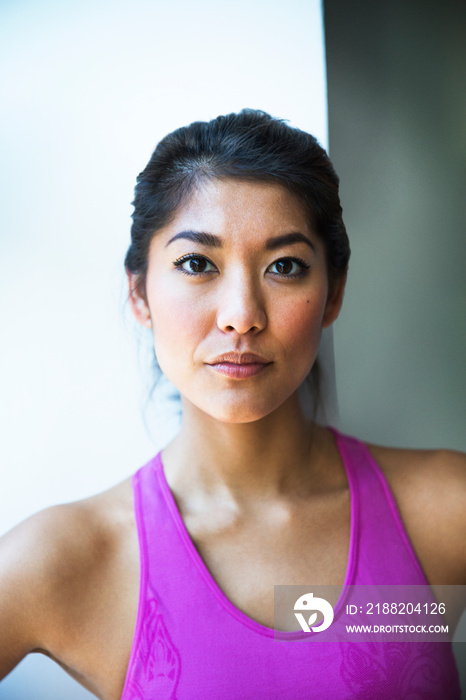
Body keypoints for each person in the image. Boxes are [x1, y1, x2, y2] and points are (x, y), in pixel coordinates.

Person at [0, 109, 465, 699]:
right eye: (197, 264)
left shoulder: (444, 512)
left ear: (333, 295)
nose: (241, 314)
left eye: (284, 266)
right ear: (140, 293)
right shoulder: (73, 561)